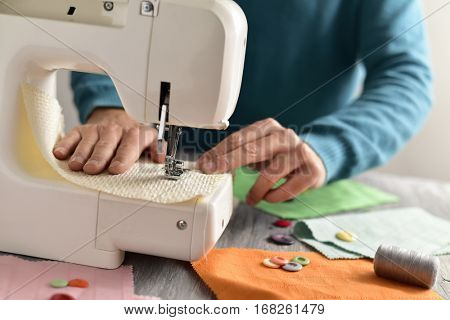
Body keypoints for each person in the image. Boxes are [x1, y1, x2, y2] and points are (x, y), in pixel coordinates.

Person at [53, 0, 432, 206]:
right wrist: (111, 105)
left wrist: (327, 146)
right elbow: (105, 20)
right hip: (150, 155)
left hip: (294, 182)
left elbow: (405, 79)